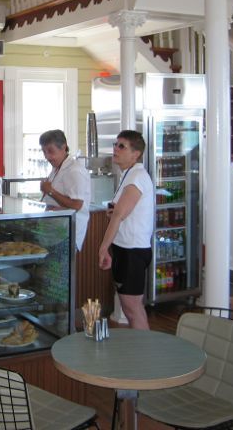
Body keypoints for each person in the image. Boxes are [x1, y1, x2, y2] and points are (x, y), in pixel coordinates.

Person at [98, 130, 153, 330]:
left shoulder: (136, 176)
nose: (116, 149)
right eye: (115, 144)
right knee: (131, 308)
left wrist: (103, 248)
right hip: (125, 249)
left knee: (132, 309)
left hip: (132, 251)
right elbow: (122, 212)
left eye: (122, 146)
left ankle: (145, 349)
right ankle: (142, 347)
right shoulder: (129, 175)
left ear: (135, 154)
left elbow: (119, 215)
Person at [38, 129, 91, 251]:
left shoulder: (74, 170)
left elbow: (76, 205)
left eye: (50, 151)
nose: (47, 156)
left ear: (63, 147)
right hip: (54, 233)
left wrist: (50, 191)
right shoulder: (57, 167)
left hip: (66, 235)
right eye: (44, 152)